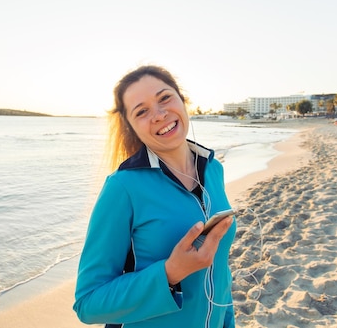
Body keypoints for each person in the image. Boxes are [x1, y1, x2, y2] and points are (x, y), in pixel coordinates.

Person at [73, 65, 236, 328]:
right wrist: (170, 272)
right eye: (142, 111)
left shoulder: (213, 169)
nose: (159, 115)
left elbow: (220, 275)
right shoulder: (122, 187)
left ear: (183, 101)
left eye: (164, 98)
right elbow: (88, 304)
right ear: (131, 127)